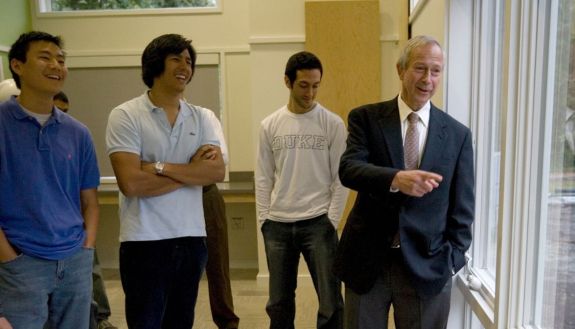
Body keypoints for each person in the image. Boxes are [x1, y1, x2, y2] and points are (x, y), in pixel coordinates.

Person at [333, 35, 475, 329]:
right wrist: (396, 178)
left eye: (436, 71)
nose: (428, 79)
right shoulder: (367, 118)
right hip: (368, 261)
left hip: (428, 265)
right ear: (401, 70)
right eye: (420, 68)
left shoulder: (458, 135)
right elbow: (349, 169)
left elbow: (463, 208)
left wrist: (452, 259)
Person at [105, 33, 225, 329]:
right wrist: (190, 172)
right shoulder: (125, 115)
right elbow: (131, 183)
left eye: (189, 61)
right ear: (155, 64)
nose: (185, 66)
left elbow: (214, 173)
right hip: (143, 240)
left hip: (191, 239)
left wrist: (157, 167)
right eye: (176, 59)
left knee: (180, 323)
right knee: (145, 323)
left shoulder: (203, 117)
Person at [0, 31, 100, 329]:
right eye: (45, 57)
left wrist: (86, 249)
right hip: (21, 261)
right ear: (17, 65)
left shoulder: (78, 132)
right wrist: (9, 258)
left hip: (74, 260)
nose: (56, 66)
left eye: (61, 59)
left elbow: (90, 201)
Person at [255, 51, 349, 329]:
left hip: (319, 223)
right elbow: (263, 177)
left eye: (316, 85)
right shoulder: (270, 125)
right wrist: (264, 220)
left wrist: (331, 220)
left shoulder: (332, 124)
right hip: (278, 224)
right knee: (278, 303)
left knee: (331, 301)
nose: (310, 92)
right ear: (288, 82)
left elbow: (340, 178)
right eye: (303, 85)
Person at [50, 91, 117, 329]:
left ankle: (100, 318)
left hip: (76, 226)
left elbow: (88, 193)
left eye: (65, 110)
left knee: (90, 272)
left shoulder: (75, 136)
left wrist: (87, 242)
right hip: (37, 238)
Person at [195, 105, 240, 329]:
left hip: (206, 194)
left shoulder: (204, 116)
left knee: (218, 264)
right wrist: (193, 162)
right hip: (171, 196)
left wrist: (185, 166)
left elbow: (221, 159)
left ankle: (227, 323)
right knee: (179, 268)